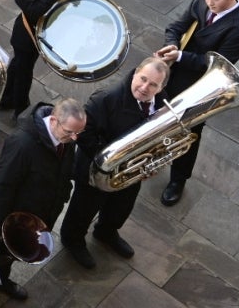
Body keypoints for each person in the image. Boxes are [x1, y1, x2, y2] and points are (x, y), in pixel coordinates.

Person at [0, 97, 86, 308]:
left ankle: (1, 281)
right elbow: (2, 186)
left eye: (77, 133)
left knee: (12, 254)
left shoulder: (66, 138)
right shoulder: (22, 144)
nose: (74, 138)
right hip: (10, 217)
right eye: (70, 132)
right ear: (54, 120)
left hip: (36, 216)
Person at [154, 0, 239, 206]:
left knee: (189, 133)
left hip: (200, 85)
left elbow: (215, 65)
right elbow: (175, 27)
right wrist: (171, 45)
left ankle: (178, 179)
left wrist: (180, 56)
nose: (210, 3)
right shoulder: (199, 2)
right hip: (172, 74)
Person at [60, 57, 171, 269]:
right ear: (136, 72)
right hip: (96, 168)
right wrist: (113, 161)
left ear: (161, 88)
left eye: (153, 84)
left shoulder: (162, 102)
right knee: (83, 208)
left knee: (122, 205)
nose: (144, 88)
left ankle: (106, 232)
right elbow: (84, 134)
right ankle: (72, 239)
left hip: (130, 170)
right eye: (143, 79)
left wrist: (152, 159)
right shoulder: (105, 98)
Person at [0, 0, 80, 117]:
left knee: (18, 65)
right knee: (24, 74)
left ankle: (5, 97)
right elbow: (34, 12)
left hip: (42, 32)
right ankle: (21, 110)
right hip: (26, 36)